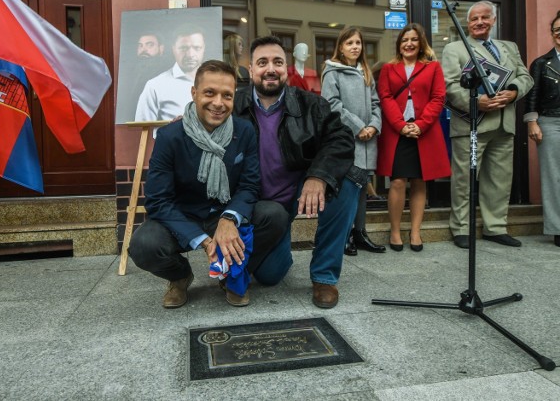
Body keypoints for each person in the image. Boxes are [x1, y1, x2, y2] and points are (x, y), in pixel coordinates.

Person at [129, 60, 287, 308]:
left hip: (223, 213)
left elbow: (249, 185)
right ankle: (180, 276)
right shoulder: (170, 136)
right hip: (183, 216)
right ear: (194, 93)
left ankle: (232, 273)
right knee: (143, 246)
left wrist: (229, 219)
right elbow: (158, 201)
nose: (218, 103)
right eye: (210, 93)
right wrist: (203, 240)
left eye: (227, 95)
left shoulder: (244, 131)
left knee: (274, 215)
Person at [234, 36, 367, 309]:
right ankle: (274, 249)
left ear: (286, 68)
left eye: (278, 62)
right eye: (262, 63)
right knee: (270, 276)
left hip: (299, 191)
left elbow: (341, 139)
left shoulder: (311, 104)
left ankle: (324, 276)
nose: (271, 69)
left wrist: (317, 176)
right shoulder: (234, 105)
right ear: (251, 69)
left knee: (349, 179)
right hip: (261, 206)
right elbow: (202, 111)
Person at [442, 1, 533, 249]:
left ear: (493, 20)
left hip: (504, 124)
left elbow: (525, 76)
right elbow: (449, 86)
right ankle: (461, 228)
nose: (479, 22)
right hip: (472, 124)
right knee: (464, 180)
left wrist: (514, 92)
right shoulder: (455, 48)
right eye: (474, 19)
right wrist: (475, 102)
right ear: (468, 23)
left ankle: (495, 227)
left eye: (484, 17)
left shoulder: (509, 47)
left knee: (500, 179)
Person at [377, 23, 450, 252]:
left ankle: (416, 232)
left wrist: (421, 124)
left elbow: (438, 97)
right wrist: (400, 125)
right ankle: (396, 231)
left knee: (419, 181)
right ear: (399, 44)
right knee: (398, 181)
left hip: (424, 132)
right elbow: (385, 97)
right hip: (397, 132)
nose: (409, 43)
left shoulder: (433, 67)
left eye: (413, 39)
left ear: (421, 44)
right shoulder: (389, 68)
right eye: (404, 39)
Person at [321, 27, 385, 256]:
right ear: (341, 47)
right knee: (348, 190)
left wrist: (374, 126)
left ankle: (360, 232)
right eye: (349, 43)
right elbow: (332, 104)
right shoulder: (332, 72)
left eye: (358, 42)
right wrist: (358, 127)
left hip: (368, 140)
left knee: (361, 191)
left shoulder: (365, 71)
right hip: (348, 140)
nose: (355, 47)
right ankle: (345, 234)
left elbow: (377, 104)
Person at [524, 10, 560, 248]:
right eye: (557, 30)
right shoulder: (541, 63)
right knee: (554, 177)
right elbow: (532, 96)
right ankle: (558, 228)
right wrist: (532, 122)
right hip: (550, 122)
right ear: (552, 34)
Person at [135, 24, 206, 122]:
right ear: (173, 49)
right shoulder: (154, 85)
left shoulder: (216, 82)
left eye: (197, 48)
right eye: (183, 48)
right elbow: (143, 128)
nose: (190, 55)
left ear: (204, 48)